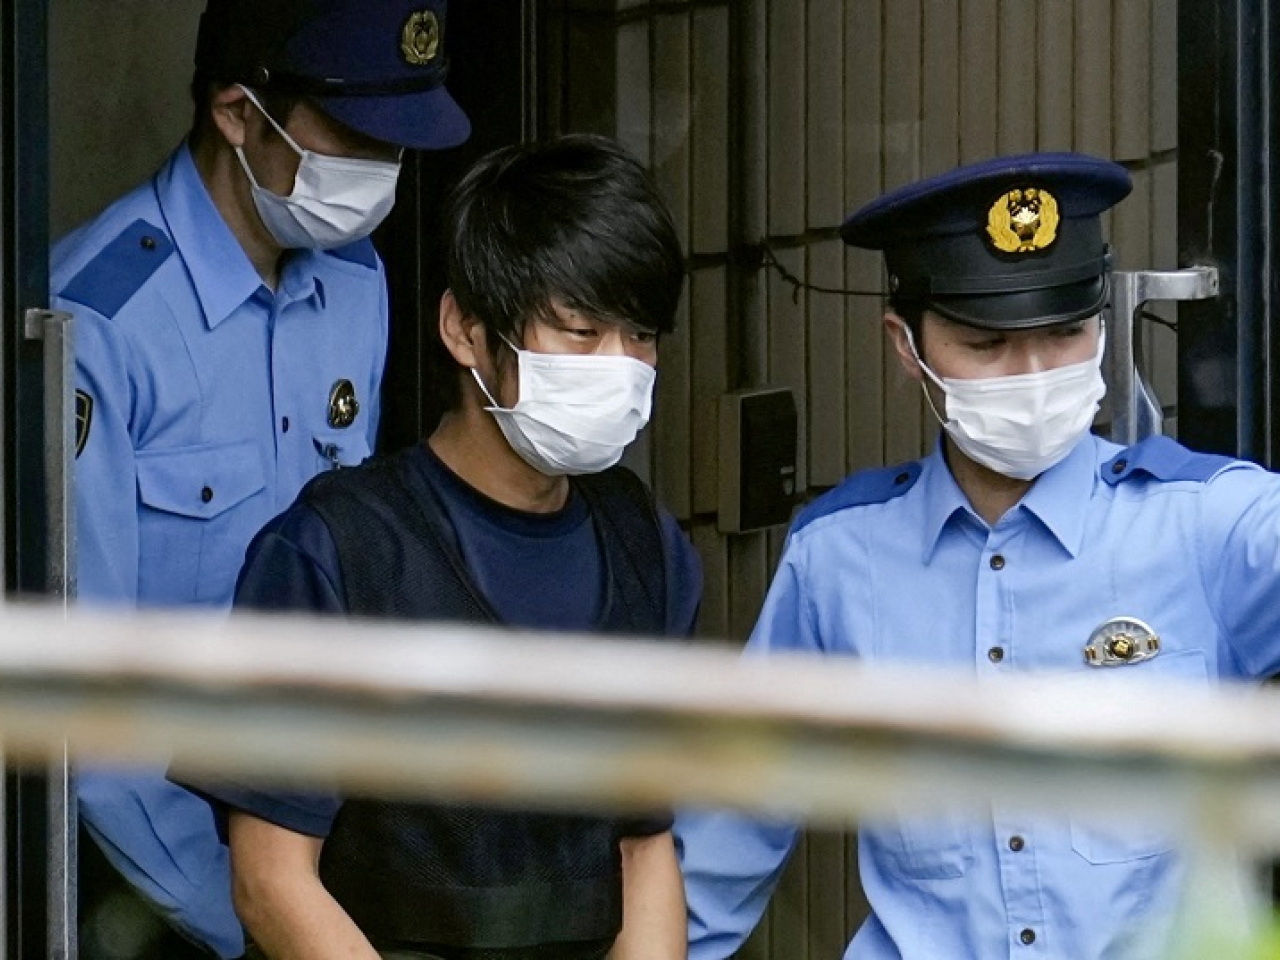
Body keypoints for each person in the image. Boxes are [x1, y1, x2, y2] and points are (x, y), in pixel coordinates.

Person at [674, 153, 1280, 959]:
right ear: (906, 345)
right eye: (987, 343)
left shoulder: (1211, 524)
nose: (1033, 375)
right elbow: (725, 842)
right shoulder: (839, 559)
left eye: (1066, 332)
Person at [190, 134, 701, 960]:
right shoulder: (333, 552)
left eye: (640, 336)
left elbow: (644, 848)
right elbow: (271, 879)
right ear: (465, 330)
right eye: (580, 330)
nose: (621, 366)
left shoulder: (648, 549)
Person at [50, 2, 469, 956]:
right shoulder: (96, 325)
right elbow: (92, 713)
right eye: (357, 139)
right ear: (239, 112)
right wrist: (251, 911)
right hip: (157, 895)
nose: (383, 170)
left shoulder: (355, 281)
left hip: (318, 866)